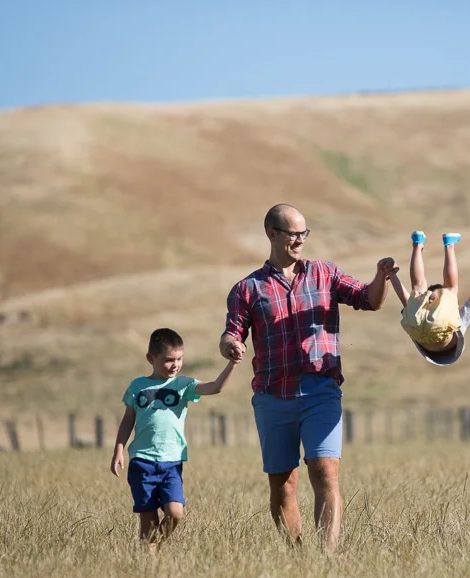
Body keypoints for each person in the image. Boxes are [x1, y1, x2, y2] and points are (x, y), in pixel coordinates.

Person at [219, 203, 397, 551]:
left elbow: (368, 300)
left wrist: (381, 276)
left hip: (321, 389)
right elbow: (232, 332)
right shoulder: (246, 289)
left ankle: (326, 556)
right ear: (272, 234)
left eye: (304, 233)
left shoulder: (325, 273)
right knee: (283, 484)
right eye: (293, 234)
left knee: (325, 472)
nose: (300, 240)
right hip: (273, 394)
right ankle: (298, 556)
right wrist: (229, 345)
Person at [110, 327, 239, 551]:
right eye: (169, 360)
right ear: (151, 358)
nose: (175, 365)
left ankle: (154, 546)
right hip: (142, 461)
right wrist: (119, 450)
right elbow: (127, 420)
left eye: (179, 359)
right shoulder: (137, 387)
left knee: (175, 512)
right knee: (147, 519)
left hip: (172, 461)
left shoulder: (183, 386)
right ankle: (148, 561)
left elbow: (215, 388)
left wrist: (233, 364)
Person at [388, 230, 470, 366]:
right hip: (415, 329)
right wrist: (391, 275)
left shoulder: (457, 330)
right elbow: (405, 299)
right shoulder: (420, 336)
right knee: (418, 286)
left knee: (451, 287)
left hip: (440, 324)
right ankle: (417, 244)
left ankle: (449, 245)